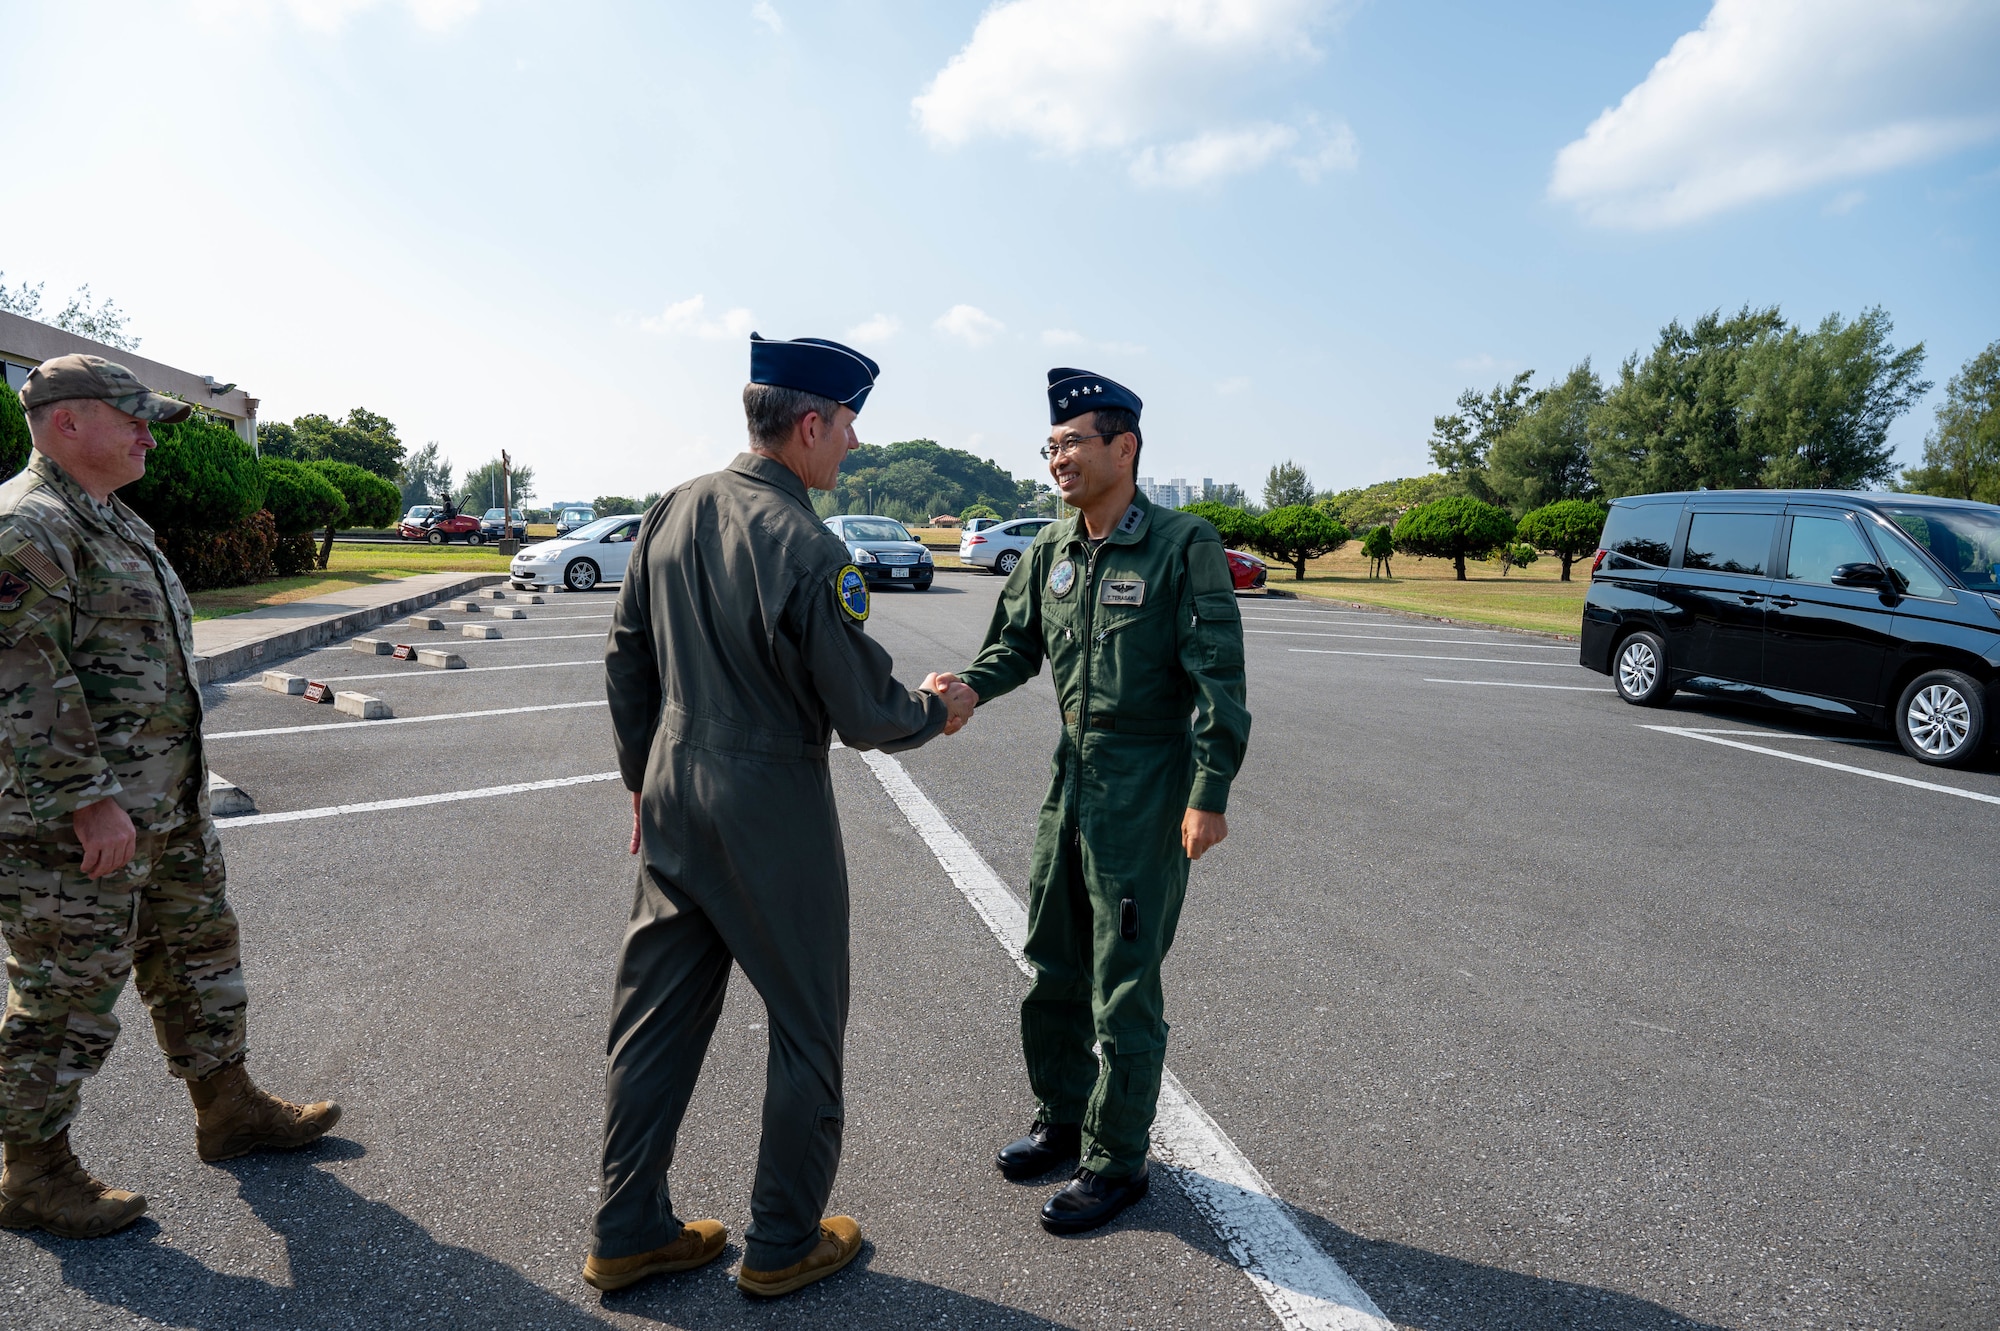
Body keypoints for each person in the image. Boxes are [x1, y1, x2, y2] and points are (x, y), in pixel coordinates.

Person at [587, 333, 976, 1298]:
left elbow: (625, 655)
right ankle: (783, 1240)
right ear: (810, 424)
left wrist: (642, 779)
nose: (850, 445)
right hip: (769, 800)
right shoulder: (808, 546)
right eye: (847, 426)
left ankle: (627, 1226)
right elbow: (866, 712)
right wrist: (938, 706)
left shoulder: (673, 507)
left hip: (674, 785)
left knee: (656, 1021)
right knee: (806, 1024)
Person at [0, 355, 340, 1240]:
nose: (150, 434)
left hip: (166, 805)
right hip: (75, 824)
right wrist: (87, 801)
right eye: (135, 418)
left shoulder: (111, 518)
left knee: (197, 955)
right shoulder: (26, 525)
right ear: (68, 422)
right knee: (67, 993)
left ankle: (228, 1109)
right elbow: (22, 676)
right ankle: (31, 1172)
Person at [936, 368, 1249, 1234]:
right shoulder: (1051, 548)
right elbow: (1011, 648)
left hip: (1145, 787)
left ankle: (1117, 1160)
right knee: (1055, 961)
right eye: (1052, 444)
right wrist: (963, 687)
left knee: (1124, 983)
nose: (1058, 458)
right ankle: (1064, 1118)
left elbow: (1219, 675)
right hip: (1068, 782)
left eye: (1074, 441)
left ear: (1125, 447)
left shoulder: (1182, 544)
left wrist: (1207, 790)